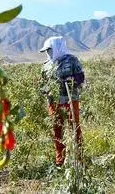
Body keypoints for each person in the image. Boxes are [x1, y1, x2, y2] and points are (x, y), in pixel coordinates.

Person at [39, 36, 85, 166]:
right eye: (47, 51)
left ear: (57, 47)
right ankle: (60, 159)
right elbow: (42, 84)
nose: (48, 53)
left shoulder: (72, 60)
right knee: (56, 129)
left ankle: (78, 158)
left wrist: (69, 81)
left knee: (74, 128)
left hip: (70, 100)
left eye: (50, 50)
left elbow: (81, 77)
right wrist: (45, 89)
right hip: (53, 102)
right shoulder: (46, 65)